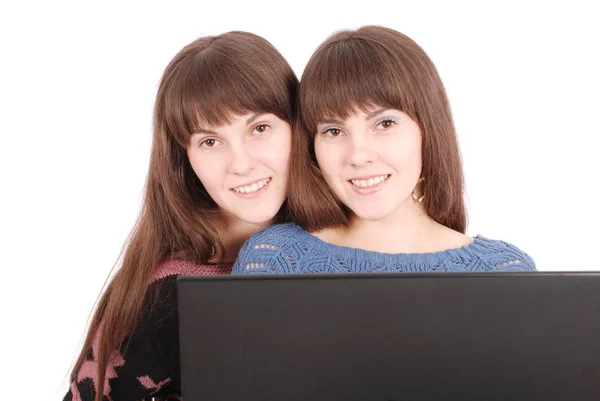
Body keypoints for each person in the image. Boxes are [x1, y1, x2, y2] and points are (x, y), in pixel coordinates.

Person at [64, 31, 298, 401]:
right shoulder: (162, 297)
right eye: (210, 141)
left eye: (260, 128)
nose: (241, 163)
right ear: (185, 160)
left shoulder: (340, 247)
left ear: (297, 127)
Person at [232, 26, 535, 275]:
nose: (359, 155)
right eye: (333, 131)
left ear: (427, 129)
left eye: (384, 123)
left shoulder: (503, 271)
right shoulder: (273, 260)